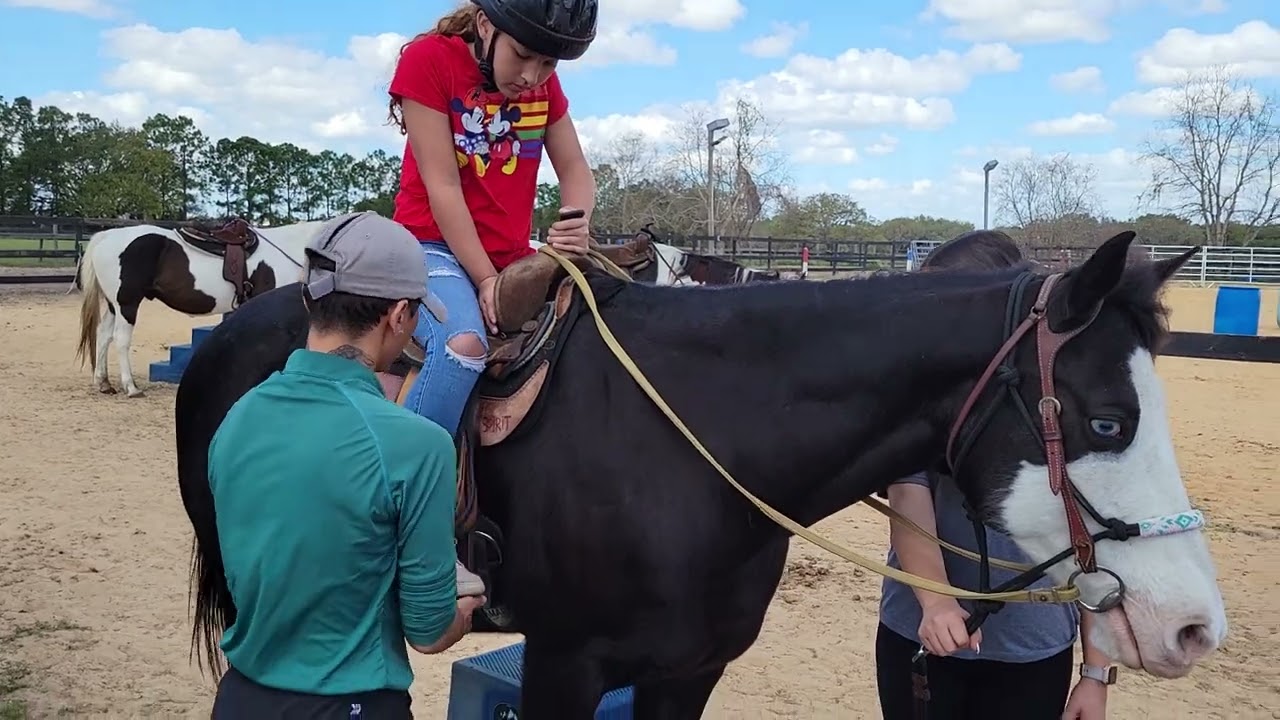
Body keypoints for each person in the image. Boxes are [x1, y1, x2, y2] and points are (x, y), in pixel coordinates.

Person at [207, 211, 488, 719]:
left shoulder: (238, 418)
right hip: (351, 704)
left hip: (242, 698)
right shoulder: (419, 444)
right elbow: (428, 632)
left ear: (311, 300)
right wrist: (462, 611)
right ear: (399, 315)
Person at [874, 230, 1113, 720]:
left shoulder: (1068, 398)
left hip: (1035, 648)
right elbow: (907, 494)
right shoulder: (921, 387)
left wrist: (1095, 672)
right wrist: (936, 602)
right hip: (920, 632)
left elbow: (1094, 540)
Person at [385, 0, 598, 442]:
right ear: (485, 25)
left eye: (548, 63)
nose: (532, 76)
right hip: (431, 248)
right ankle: (407, 473)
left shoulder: (543, 85)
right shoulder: (428, 61)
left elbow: (575, 168)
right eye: (522, 55)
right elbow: (443, 187)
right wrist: (485, 278)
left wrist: (576, 222)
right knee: (462, 346)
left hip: (512, 257)